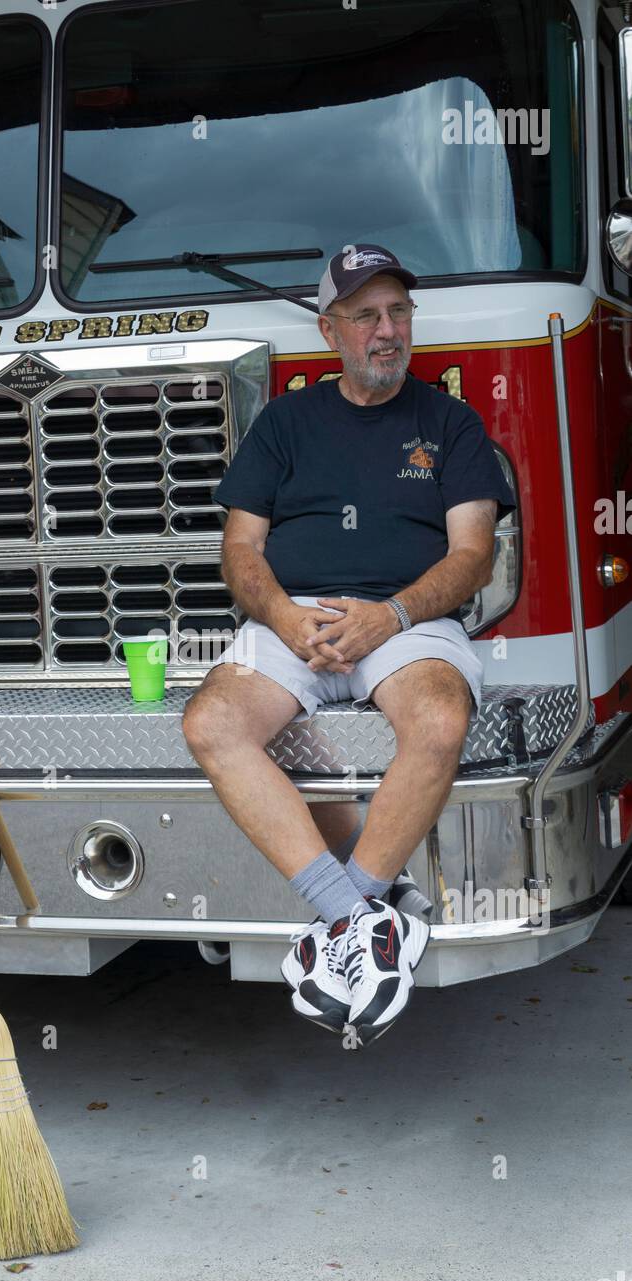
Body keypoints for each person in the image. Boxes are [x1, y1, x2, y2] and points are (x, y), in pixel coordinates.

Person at [182, 243, 517, 1048]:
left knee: (439, 720)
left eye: (398, 311)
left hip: (408, 623)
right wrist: (284, 618)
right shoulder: (287, 421)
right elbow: (240, 550)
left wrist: (390, 616)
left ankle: (350, 918)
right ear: (330, 329)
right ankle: (362, 923)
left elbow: (472, 552)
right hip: (291, 621)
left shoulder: (448, 421)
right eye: (365, 315)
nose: (386, 330)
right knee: (209, 725)